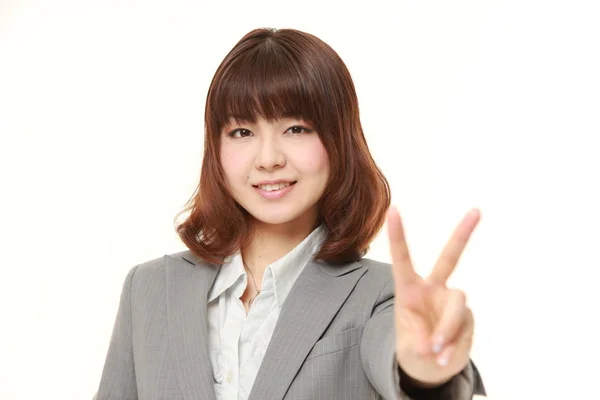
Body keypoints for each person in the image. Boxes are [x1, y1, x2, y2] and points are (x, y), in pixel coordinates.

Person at [94, 27, 486, 400]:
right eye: (242, 132)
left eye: (296, 128)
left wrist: (424, 370)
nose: (268, 159)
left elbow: (405, 361)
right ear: (215, 147)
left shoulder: (383, 295)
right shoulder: (148, 290)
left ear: (338, 140)